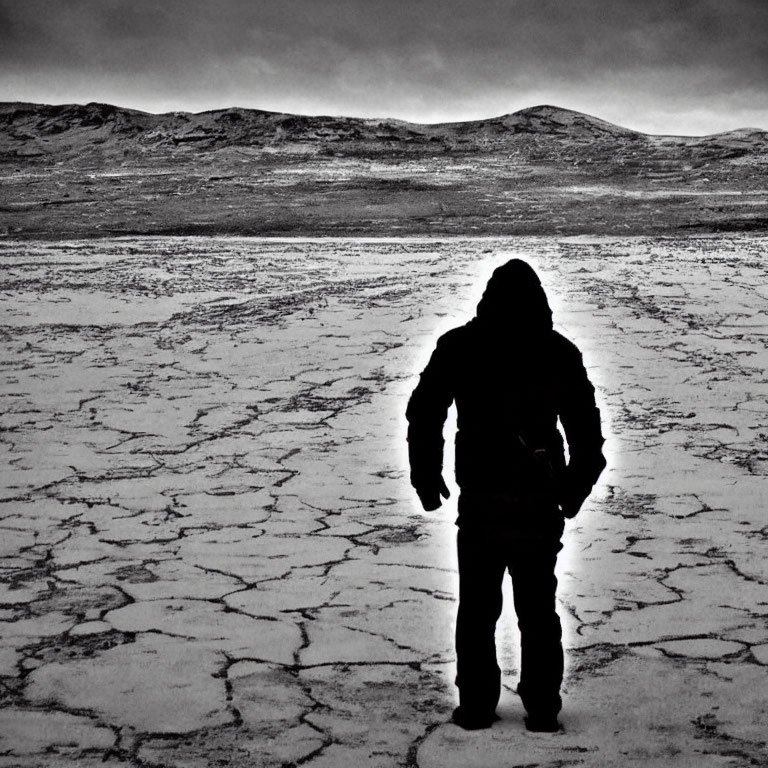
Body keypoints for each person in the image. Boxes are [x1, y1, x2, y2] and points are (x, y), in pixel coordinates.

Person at [406, 259, 606, 732]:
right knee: (536, 610)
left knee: (478, 608)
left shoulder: (461, 346)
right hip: (536, 504)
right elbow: (588, 438)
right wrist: (572, 493)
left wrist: (426, 475)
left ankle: (476, 707)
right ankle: (541, 710)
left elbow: (424, 411)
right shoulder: (558, 352)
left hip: (483, 503)